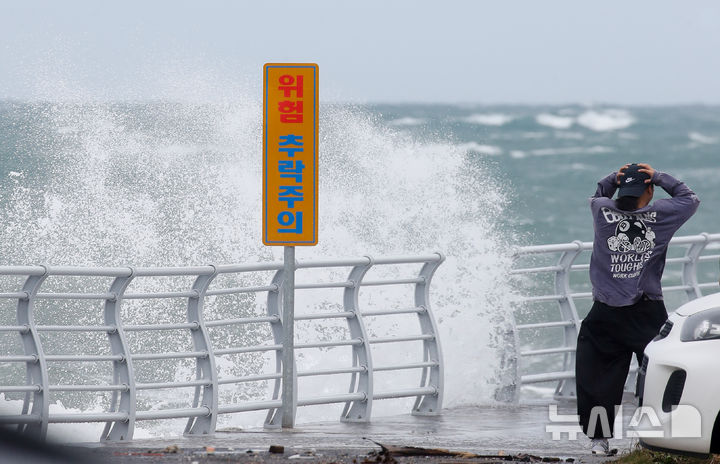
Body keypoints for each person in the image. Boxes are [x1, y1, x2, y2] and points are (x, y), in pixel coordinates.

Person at [575, 163, 700, 455]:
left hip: (604, 312)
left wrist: (612, 179)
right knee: (659, 374)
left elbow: (597, 194)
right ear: (650, 190)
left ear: (622, 190)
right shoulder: (663, 215)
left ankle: (598, 440)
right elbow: (689, 198)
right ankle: (659, 439)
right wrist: (658, 176)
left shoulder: (602, 210)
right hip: (647, 312)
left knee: (596, 377)